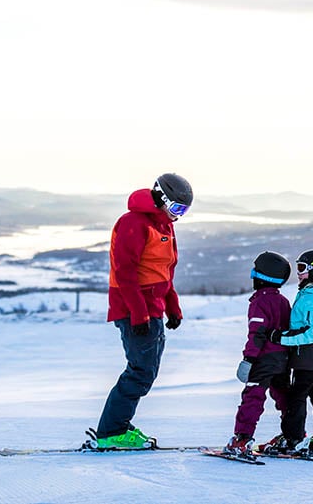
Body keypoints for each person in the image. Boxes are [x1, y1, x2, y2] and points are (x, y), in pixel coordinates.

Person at [92, 172, 193, 449]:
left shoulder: (164, 226)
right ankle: (112, 432)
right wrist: (138, 313)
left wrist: (173, 307)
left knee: (146, 372)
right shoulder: (133, 223)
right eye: (176, 209)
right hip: (134, 310)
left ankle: (117, 424)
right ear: (161, 198)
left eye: (183, 211)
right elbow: (125, 272)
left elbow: (164, 272)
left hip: (153, 309)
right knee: (140, 371)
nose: (178, 216)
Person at [263, 249, 313, 454]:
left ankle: (293, 438)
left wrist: (280, 337)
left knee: (296, 398)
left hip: (309, 358)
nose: (298, 273)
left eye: (302, 268)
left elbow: (310, 333)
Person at [223, 251, 294, 456]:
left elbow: (257, 334)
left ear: (262, 276)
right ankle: (293, 435)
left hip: (263, 358)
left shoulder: (260, 302)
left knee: (253, 395)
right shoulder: (283, 301)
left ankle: (242, 439)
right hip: (283, 358)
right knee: (283, 395)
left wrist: (248, 359)